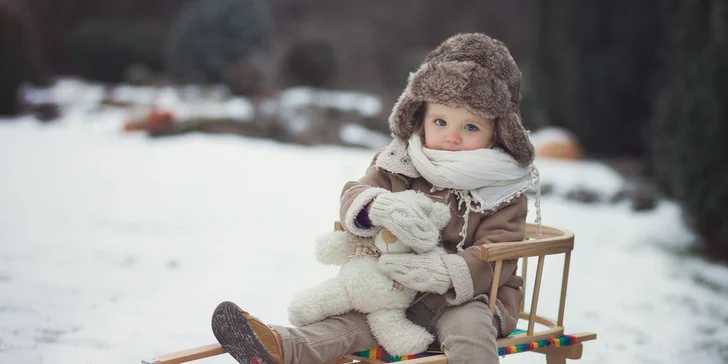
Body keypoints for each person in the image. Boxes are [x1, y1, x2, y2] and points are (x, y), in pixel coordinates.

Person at [211, 32, 541, 364]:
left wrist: (445, 272)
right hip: (393, 295)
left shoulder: (500, 187)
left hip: (469, 300)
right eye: (440, 122)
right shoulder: (400, 162)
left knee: (468, 330)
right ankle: (282, 347)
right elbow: (356, 192)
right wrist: (375, 205)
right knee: (348, 327)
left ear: (497, 132)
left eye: (470, 128)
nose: (451, 137)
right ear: (420, 118)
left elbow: (499, 251)